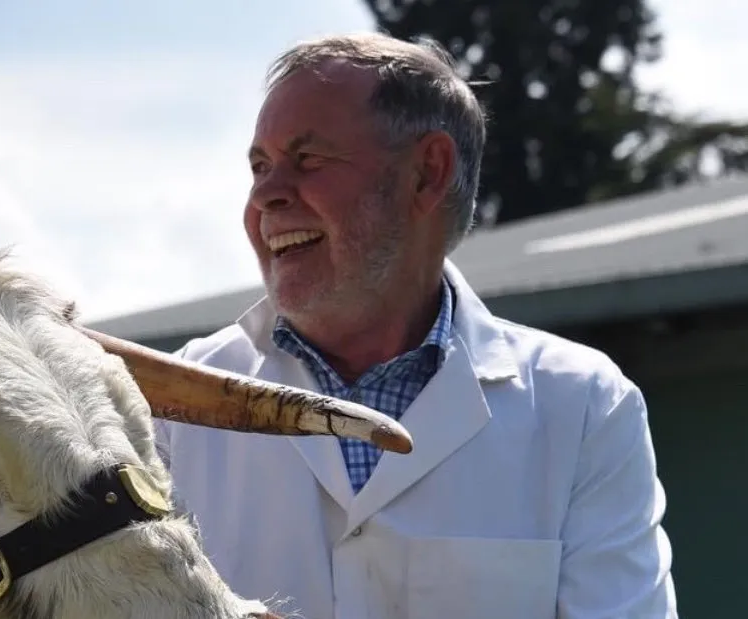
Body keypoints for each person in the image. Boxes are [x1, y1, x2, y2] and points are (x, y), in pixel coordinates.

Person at [153, 32, 677, 619]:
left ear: (427, 173)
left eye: (307, 160)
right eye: (259, 167)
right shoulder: (170, 410)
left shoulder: (583, 407)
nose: (266, 197)